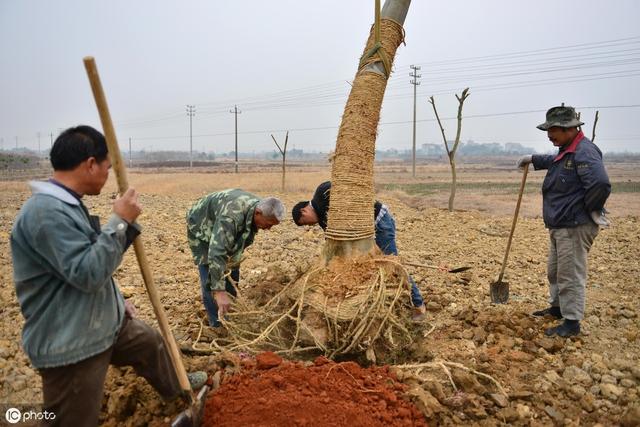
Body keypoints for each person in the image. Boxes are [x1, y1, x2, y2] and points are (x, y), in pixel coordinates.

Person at [10, 126, 205, 427]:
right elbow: (87, 272)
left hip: (100, 322)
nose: (108, 175)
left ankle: (179, 388)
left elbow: (85, 258)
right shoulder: (45, 213)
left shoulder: (67, 205)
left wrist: (115, 302)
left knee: (149, 343)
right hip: (72, 341)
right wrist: (120, 221)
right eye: (107, 167)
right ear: (90, 164)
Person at [517, 106, 611, 337]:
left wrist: (590, 209)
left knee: (570, 273)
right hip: (561, 224)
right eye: (548, 130)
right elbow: (557, 161)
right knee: (555, 270)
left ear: (570, 128)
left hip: (574, 224)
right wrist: (534, 159)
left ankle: (571, 322)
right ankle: (557, 308)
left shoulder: (584, 151)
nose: (549, 135)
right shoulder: (568, 149)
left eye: (554, 130)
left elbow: (600, 184)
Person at [291, 181, 427, 321]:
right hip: (366, 234)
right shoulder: (322, 221)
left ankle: (419, 305)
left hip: (379, 222)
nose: (310, 225)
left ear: (304, 211)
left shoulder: (321, 193)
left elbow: (346, 184)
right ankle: (393, 301)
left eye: (306, 222)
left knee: (393, 264)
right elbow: (333, 240)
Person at [186, 190, 285, 327]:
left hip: (224, 221)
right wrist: (219, 292)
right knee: (210, 269)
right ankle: (217, 324)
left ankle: (230, 315)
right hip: (201, 225)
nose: (268, 229)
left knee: (232, 267)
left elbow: (237, 245)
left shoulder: (256, 209)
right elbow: (216, 252)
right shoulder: (231, 217)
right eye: (268, 224)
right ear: (258, 213)